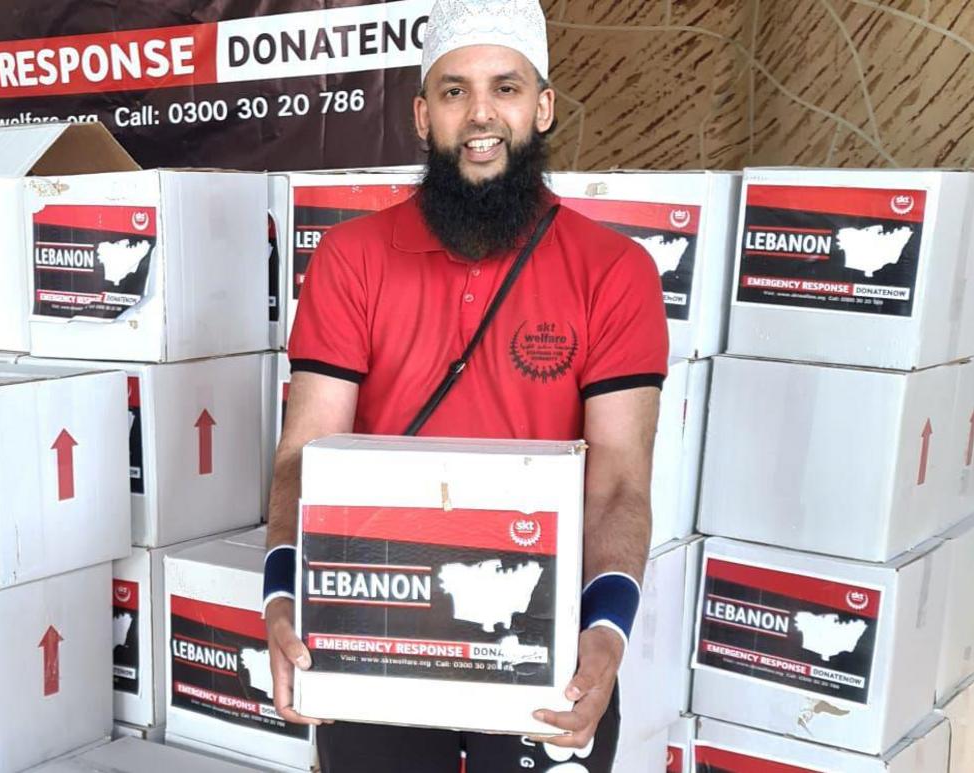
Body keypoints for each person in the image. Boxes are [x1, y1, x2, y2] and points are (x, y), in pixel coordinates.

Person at [261, 0, 669, 770]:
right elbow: (304, 453)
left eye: (506, 87)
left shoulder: (617, 273)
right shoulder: (351, 259)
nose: (480, 114)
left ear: (542, 106)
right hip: (377, 629)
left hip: (542, 639)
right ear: (422, 115)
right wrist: (283, 595)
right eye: (454, 91)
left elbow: (618, 479)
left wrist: (604, 635)